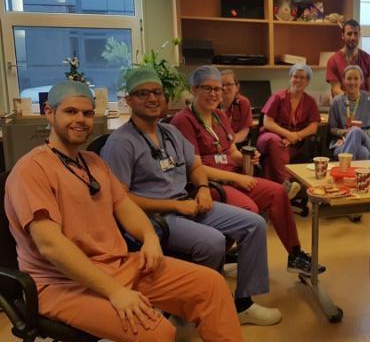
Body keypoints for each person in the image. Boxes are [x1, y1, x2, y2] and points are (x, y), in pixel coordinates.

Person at [5, 80, 243, 341]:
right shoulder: (31, 170)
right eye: (71, 112)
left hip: (118, 265)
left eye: (87, 113)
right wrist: (115, 292)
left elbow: (125, 206)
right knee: (158, 332)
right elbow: (51, 246)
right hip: (63, 284)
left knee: (211, 285)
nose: (81, 120)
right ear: (49, 113)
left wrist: (150, 238)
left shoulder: (94, 163)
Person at [101, 68, 281, 326]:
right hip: (154, 217)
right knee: (212, 242)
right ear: (129, 100)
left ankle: (243, 304)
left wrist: (204, 189)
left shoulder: (169, 132)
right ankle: (201, 302)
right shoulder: (121, 143)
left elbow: (195, 166)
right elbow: (120, 200)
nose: (152, 98)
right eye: (143, 94)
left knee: (254, 224)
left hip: (187, 204)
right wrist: (176, 206)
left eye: (157, 92)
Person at [171, 65, 323, 276]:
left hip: (231, 178)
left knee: (278, 192)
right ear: (194, 89)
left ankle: (295, 255)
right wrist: (236, 177)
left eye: (218, 88)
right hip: (207, 185)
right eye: (207, 88)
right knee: (249, 209)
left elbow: (232, 151)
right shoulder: (183, 121)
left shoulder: (219, 116)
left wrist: (246, 157)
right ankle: (222, 255)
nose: (214, 94)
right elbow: (195, 168)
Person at [326, 19, 370, 157]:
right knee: (358, 140)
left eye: (355, 34)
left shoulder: (367, 58)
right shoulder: (334, 60)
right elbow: (336, 89)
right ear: (343, 36)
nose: (352, 37)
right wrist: (351, 100)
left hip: (367, 103)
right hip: (347, 104)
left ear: (359, 35)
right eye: (349, 34)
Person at [257, 63, 321, 184]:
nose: (298, 80)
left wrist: (295, 136)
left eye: (302, 77)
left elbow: (313, 127)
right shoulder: (277, 97)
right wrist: (288, 135)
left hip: (293, 143)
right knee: (276, 142)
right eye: (295, 76)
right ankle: (286, 182)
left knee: (273, 158)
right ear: (290, 78)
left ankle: (275, 189)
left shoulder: (310, 102)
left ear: (307, 82)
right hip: (269, 136)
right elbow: (267, 123)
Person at [328, 65, 370, 160]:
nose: (352, 82)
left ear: (361, 80)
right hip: (342, 142)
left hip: (368, 142)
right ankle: (350, 168)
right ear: (343, 80)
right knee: (363, 153)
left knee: (356, 131)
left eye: (356, 78)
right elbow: (332, 129)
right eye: (349, 78)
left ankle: (344, 165)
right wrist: (346, 132)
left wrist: (358, 133)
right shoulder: (336, 102)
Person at [220, 68, 252, 145]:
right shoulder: (212, 103)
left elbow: (244, 130)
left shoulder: (243, 102)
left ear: (237, 87)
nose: (224, 88)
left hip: (236, 143)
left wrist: (230, 142)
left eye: (228, 84)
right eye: (221, 85)